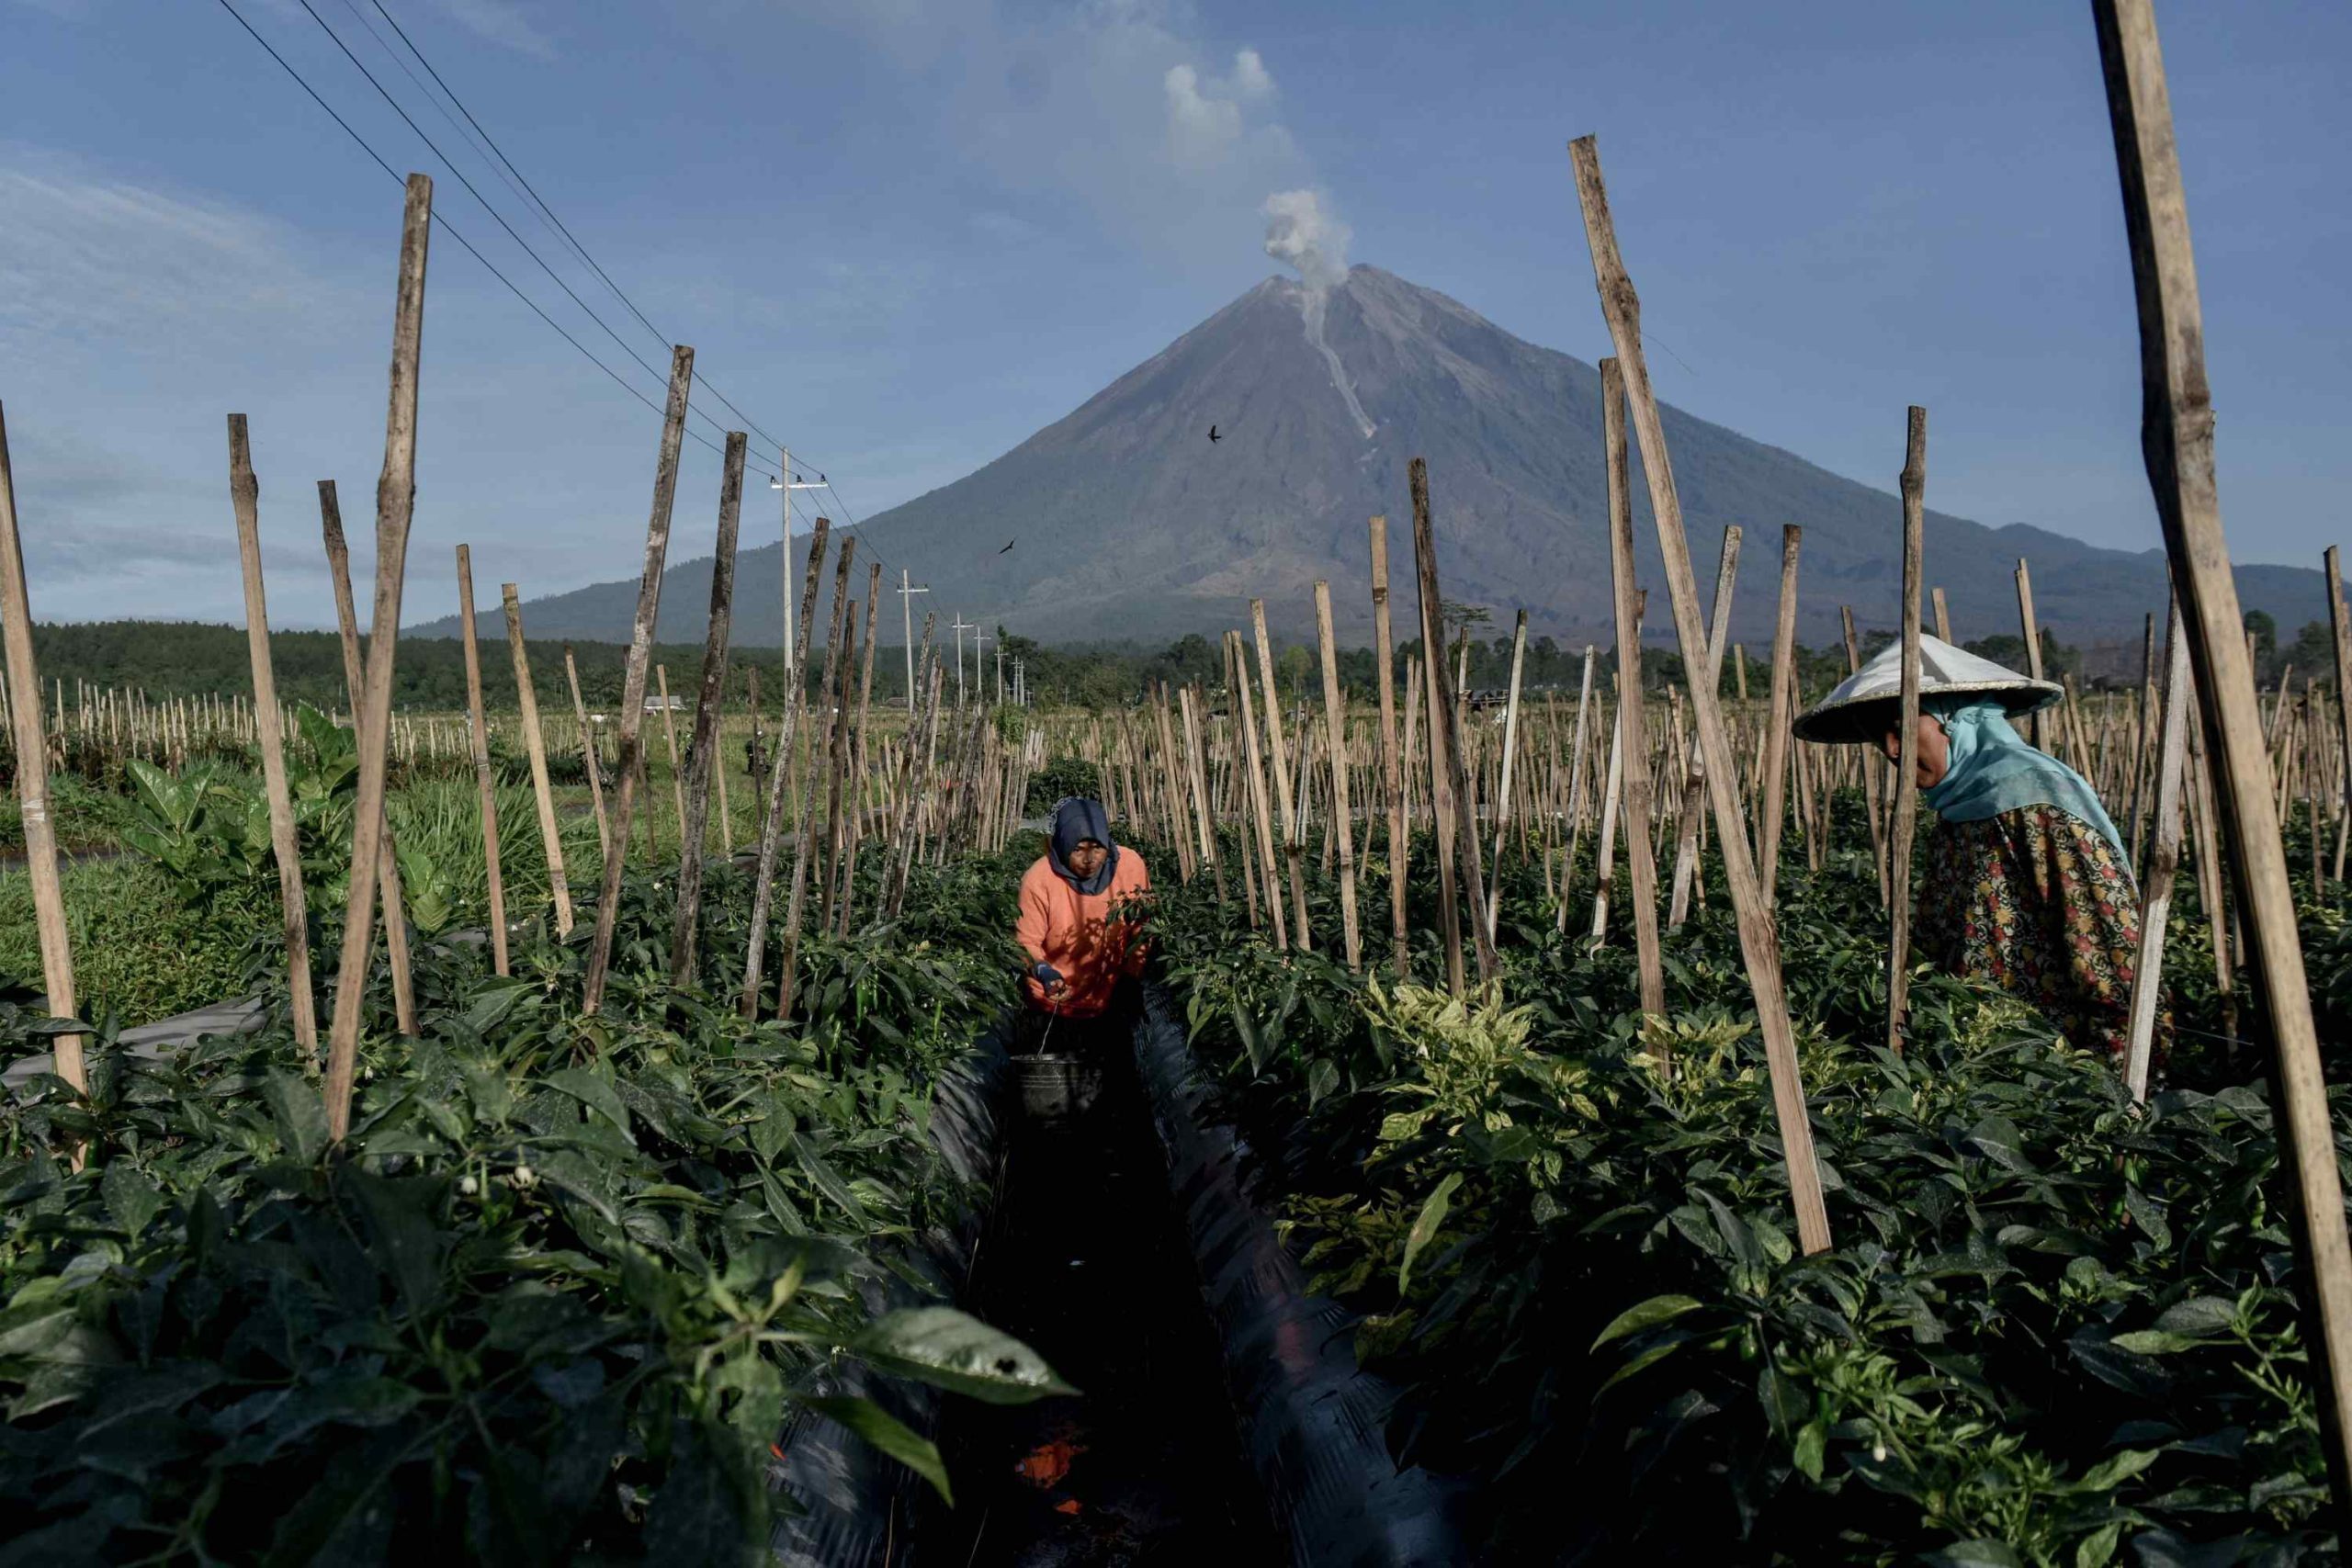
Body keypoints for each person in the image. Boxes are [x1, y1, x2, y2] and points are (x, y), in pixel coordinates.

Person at [1795, 634, 2156, 1065]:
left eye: (1901, 729)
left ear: (1954, 719)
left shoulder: (2034, 799)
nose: (1892, 751)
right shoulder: (1960, 806)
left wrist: (2118, 1069)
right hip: (1975, 1051)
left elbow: (2106, 941)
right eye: (1879, 738)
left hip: (2053, 1065)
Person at [1014, 796, 1151, 1055]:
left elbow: (1141, 928)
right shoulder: (1039, 879)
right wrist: (1044, 972)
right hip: (1053, 1003)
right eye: (1078, 849)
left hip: (1108, 997)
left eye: (1096, 848)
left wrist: (1132, 976)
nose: (1089, 859)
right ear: (1063, 844)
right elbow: (1026, 943)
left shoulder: (1130, 866)